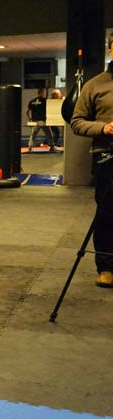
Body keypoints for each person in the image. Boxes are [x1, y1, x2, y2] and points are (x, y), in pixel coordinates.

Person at [70, 35, 113, 288]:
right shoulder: (95, 85)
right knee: (107, 212)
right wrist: (103, 128)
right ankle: (106, 267)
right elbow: (77, 122)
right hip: (107, 156)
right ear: (110, 50)